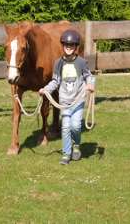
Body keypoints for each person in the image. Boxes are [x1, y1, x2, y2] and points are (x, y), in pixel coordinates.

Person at [39, 29, 95, 165]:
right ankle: (66, 153)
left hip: (78, 100)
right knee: (65, 127)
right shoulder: (58, 63)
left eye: (71, 45)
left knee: (75, 126)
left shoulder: (81, 62)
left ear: (76, 47)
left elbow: (89, 76)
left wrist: (90, 85)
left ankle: (76, 145)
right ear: (63, 46)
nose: (68, 48)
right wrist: (45, 89)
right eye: (66, 45)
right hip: (64, 101)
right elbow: (55, 81)